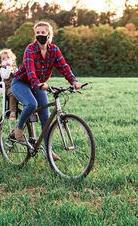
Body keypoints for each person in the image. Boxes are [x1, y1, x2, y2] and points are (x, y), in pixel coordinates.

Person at [11, 21, 84, 161]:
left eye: (42, 33)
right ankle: (18, 130)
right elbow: (30, 71)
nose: (40, 35)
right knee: (32, 104)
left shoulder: (54, 50)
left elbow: (63, 67)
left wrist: (73, 81)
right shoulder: (30, 49)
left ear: (49, 34)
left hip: (39, 84)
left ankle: (48, 153)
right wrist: (38, 84)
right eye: (37, 33)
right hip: (21, 82)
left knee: (46, 117)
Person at [0, 48, 19, 120]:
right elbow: (5, 76)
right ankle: (12, 112)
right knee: (13, 92)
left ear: (12, 59)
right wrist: (8, 68)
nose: (6, 59)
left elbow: (18, 75)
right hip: (7, 87)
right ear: (1, 62)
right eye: (3, 59)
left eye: (8, 57)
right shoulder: (3, 68)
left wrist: (14, 69)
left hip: (16, 85)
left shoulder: (14, 68)